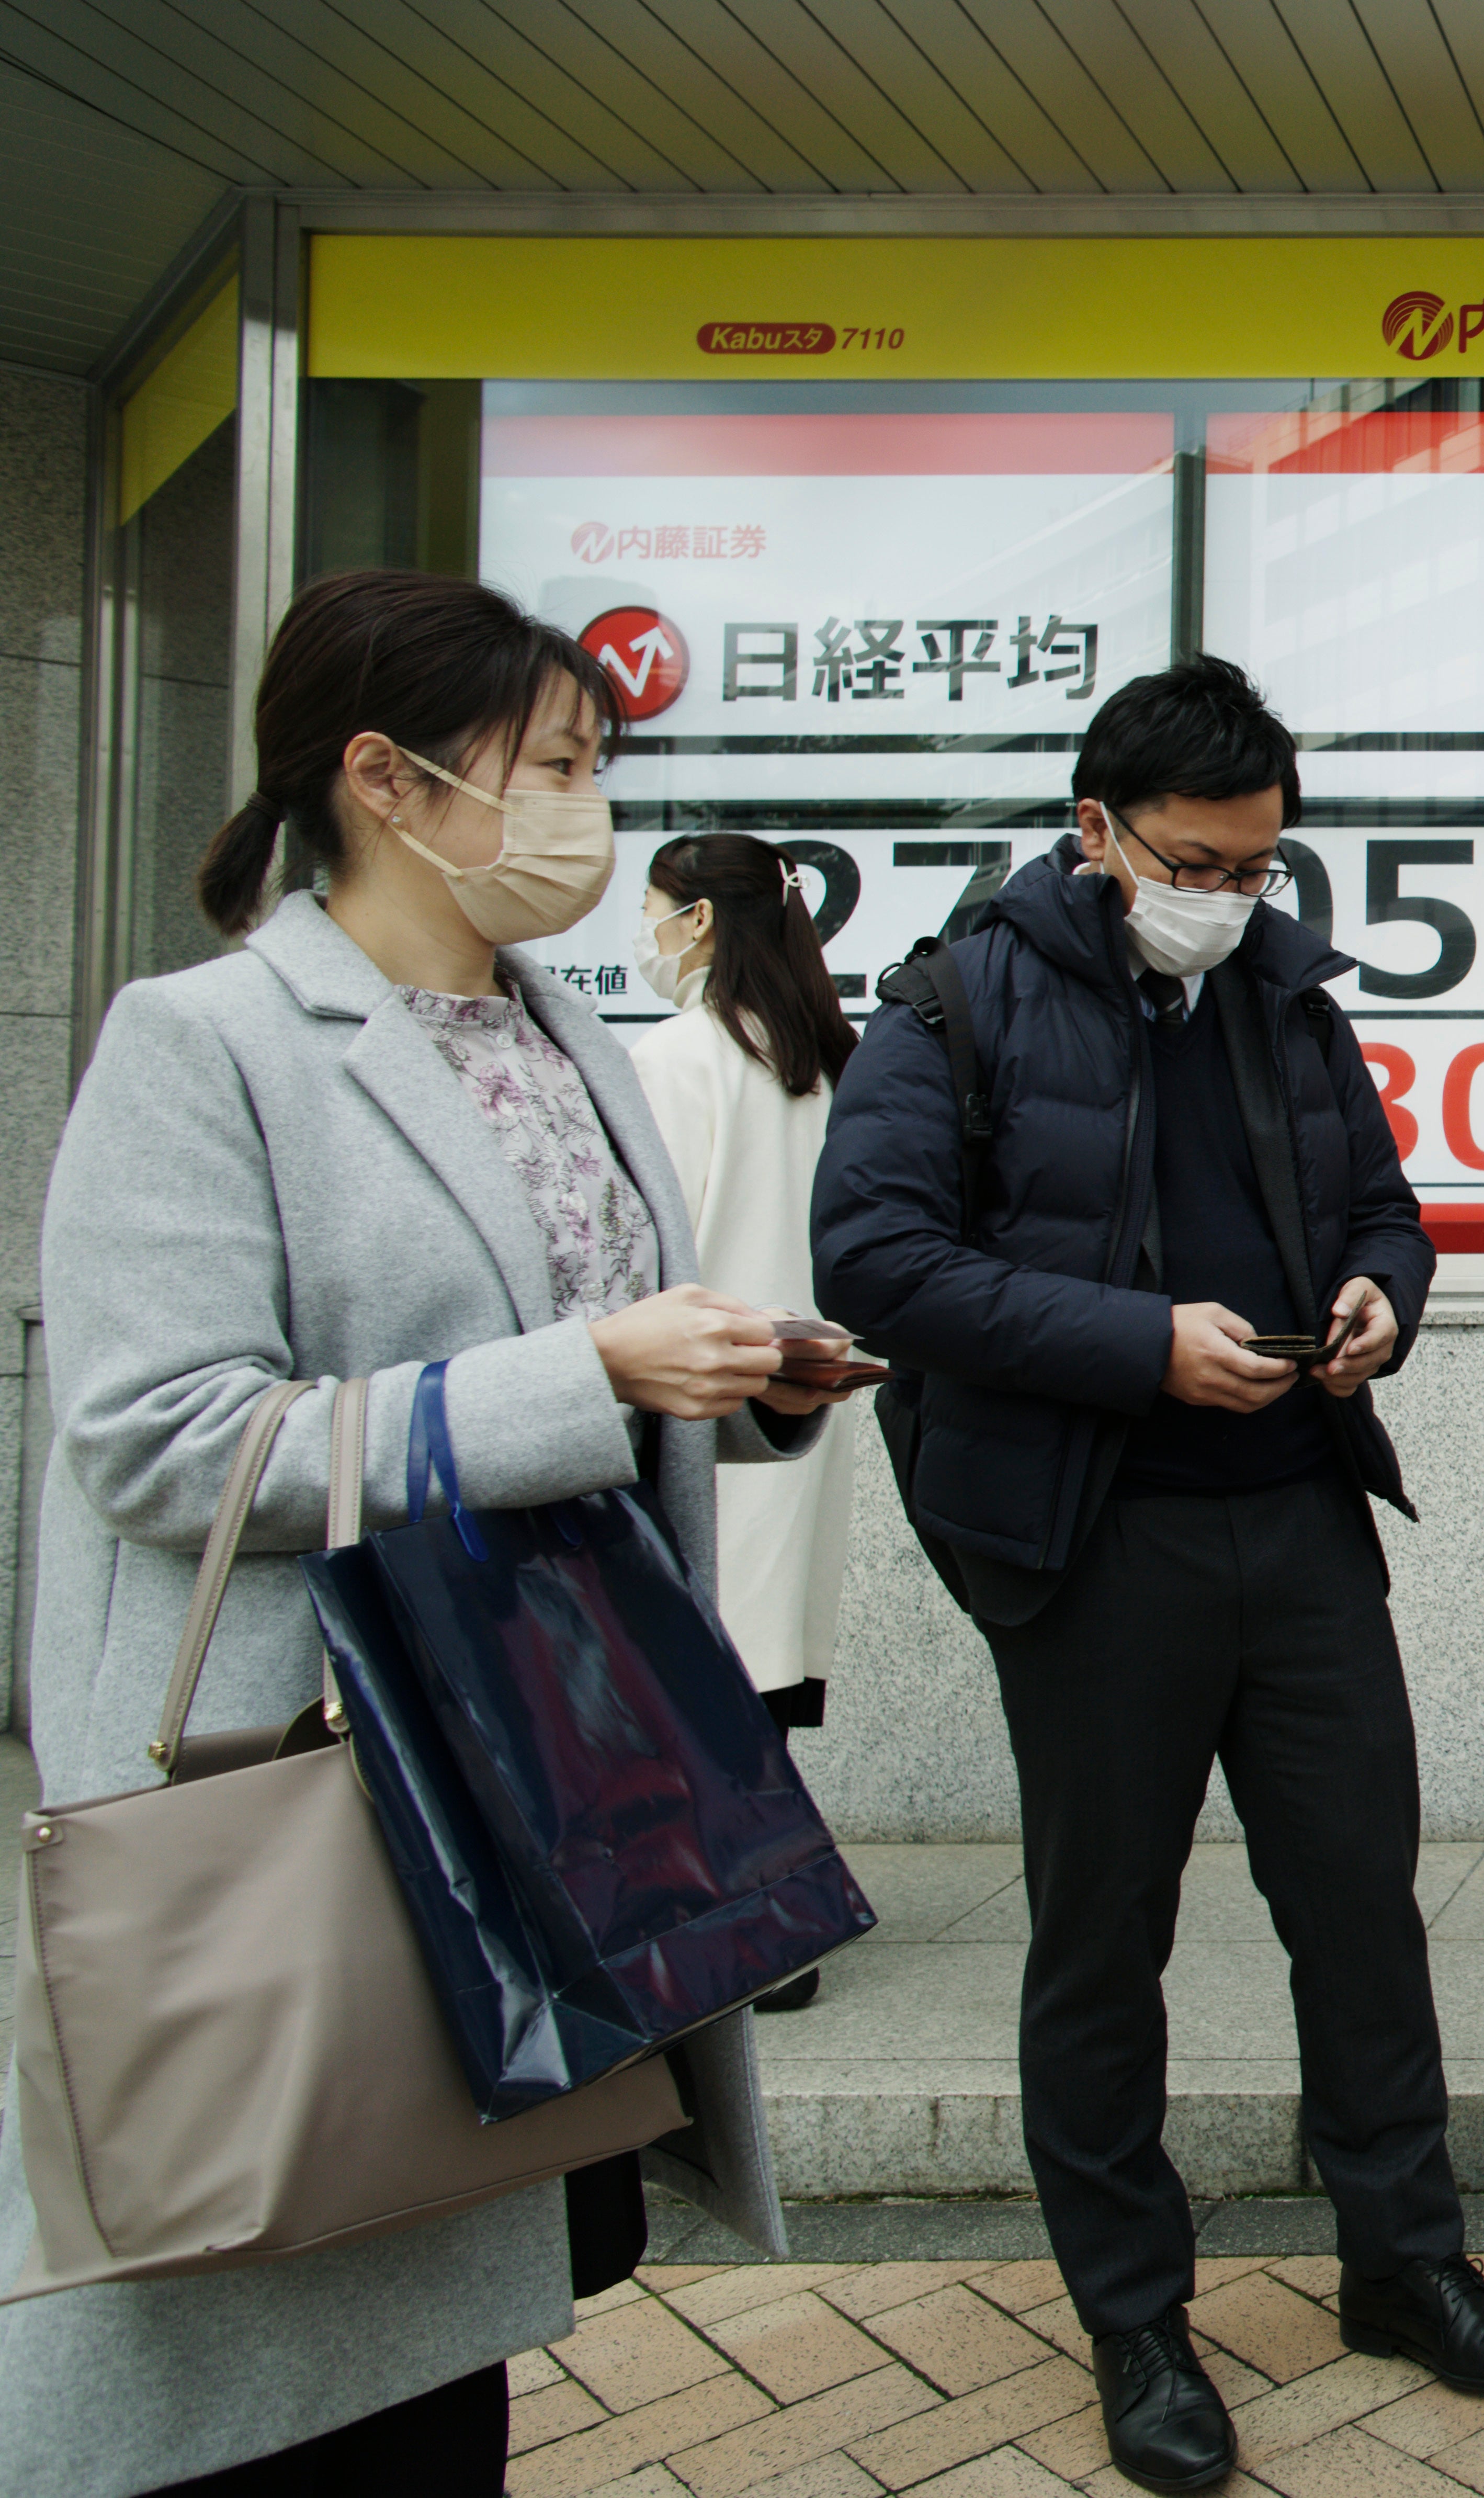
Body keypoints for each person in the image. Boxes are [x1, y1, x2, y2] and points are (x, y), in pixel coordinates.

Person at [2, 569, 833, 2496]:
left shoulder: (577, 1041)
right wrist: (583, 1375)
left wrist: (738, 1373)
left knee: (444, 2357)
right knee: (282, 2315)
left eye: (597, 765)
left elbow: (579, 1368)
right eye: (550, 762)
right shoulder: (204, 1041)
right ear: (383, 778)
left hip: (546, 1780)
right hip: (323, 1788)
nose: (586, 809)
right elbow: (158, 1438)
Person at [810, 654, 1484, 2496]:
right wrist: (1134, 1341)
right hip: (1093, 1539)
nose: (1234, 898)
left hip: (1298, 1512)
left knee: (1360, 1905)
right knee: (1102, 1938)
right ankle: (1136, 2315)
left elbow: (1385, 1200)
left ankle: (1402, 2260)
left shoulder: (1284, 999)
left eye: (1261, 867)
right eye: (1200, 862)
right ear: (1098, 833)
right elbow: (875, 1262)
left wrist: (1391, 1292)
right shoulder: (952, 1007)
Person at [629, 834, 864, 2010]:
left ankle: (764, 1927)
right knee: (760, 1663)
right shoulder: (830, 1059)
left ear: (700, 925)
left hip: (698, 1395)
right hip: (803, 1400)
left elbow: (641, 1240)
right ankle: (776, 1907)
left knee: (692, 1663)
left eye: (655, 912)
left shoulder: (676, 1058)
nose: (646, 934)